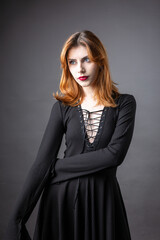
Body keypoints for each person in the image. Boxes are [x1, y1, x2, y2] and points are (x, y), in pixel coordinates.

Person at [4, 30, 136, 240]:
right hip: (61, 199)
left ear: (100, 61)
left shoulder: (125, 104)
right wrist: (16, 219)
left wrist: (55, 166)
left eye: (86, 59)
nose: (80, 68)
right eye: (72, 62)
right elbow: (40, 165)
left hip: (103, 200)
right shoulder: (62, 108)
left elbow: (114, 155)